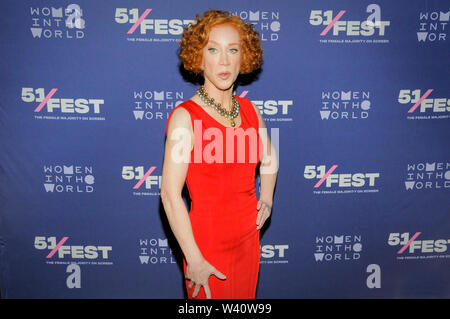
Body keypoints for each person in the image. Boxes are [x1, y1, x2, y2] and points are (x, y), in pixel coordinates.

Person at [160, 9, 278, 299]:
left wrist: (267, 198)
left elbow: (270, 158)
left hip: (248, 241)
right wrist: (194, 258)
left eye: (233, 50)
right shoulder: (184, 117)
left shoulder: (251, 111)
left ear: (244, 56)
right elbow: (169, 195)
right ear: (199, 58)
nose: (224, 60)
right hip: (206, 246)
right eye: (213, 49)